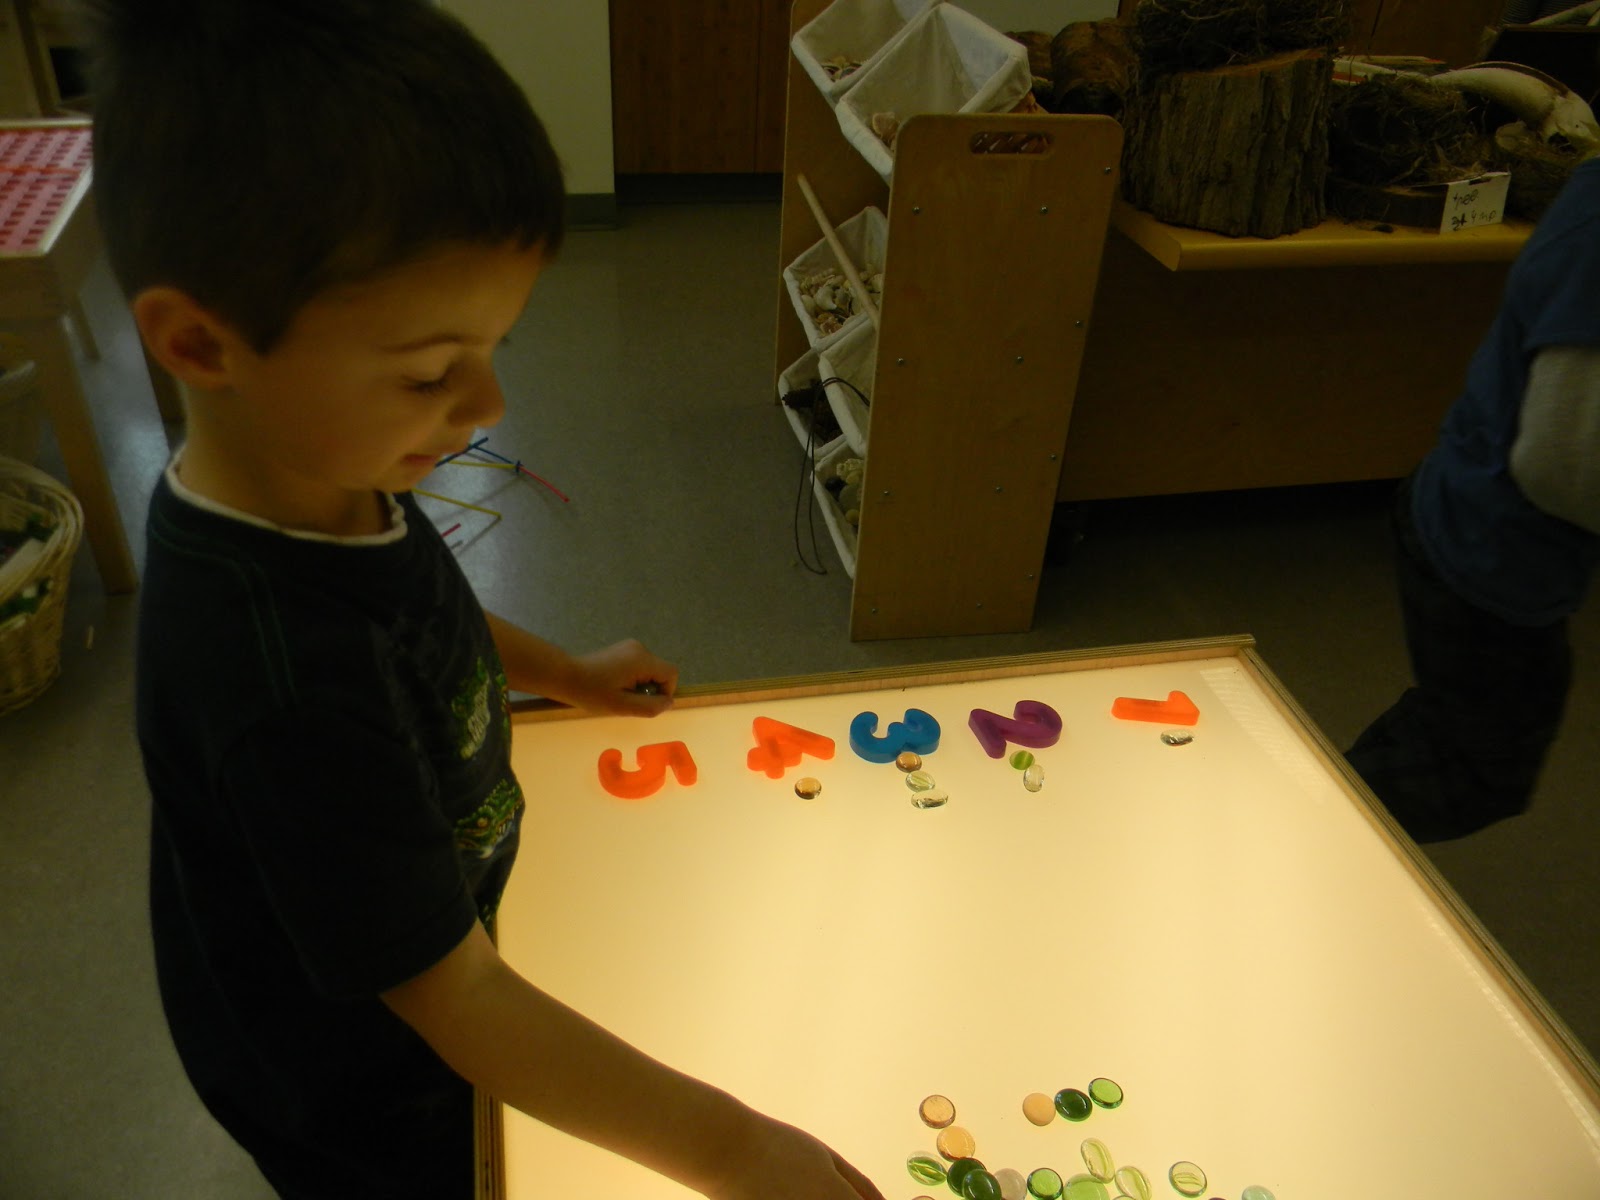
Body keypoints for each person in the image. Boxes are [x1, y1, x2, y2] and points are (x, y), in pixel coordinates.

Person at [82, 3, 885, 1197]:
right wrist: (738, 1151)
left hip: (413, 912)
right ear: (201, 344)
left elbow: (411, 609)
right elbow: (453, 999)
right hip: (363, 1074)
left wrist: (558, 669)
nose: (489, 403)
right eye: (429, 369)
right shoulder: (276, 678)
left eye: (494, 344)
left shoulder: (319, 472)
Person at [1346, 151, 1600, 843]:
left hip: (1485, 529)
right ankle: (1301, 854)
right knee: (1473, 770)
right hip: (1490, 543)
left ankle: (1316, 829)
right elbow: (1563, 465)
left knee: (1453, 730)